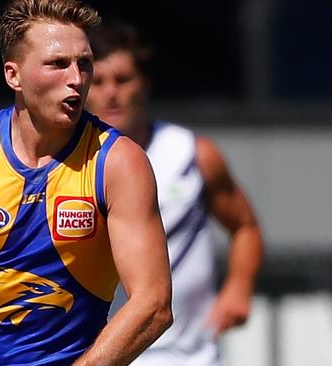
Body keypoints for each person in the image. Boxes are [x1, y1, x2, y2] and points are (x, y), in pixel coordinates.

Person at [0, 1, 173, 365]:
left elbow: (154, 303)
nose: (77, 79)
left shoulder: (118, 162)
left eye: (84, 63)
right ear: (13, 76)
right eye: (58, 64)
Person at [86, 20, 264, 366]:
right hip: (102, 357)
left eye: (123, 80)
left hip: (190, 356)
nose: (111, 93)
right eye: (100, 80)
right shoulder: (65, 165)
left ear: (145, 84)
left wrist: (239, 287)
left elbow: (245, 228)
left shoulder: (191, 154)